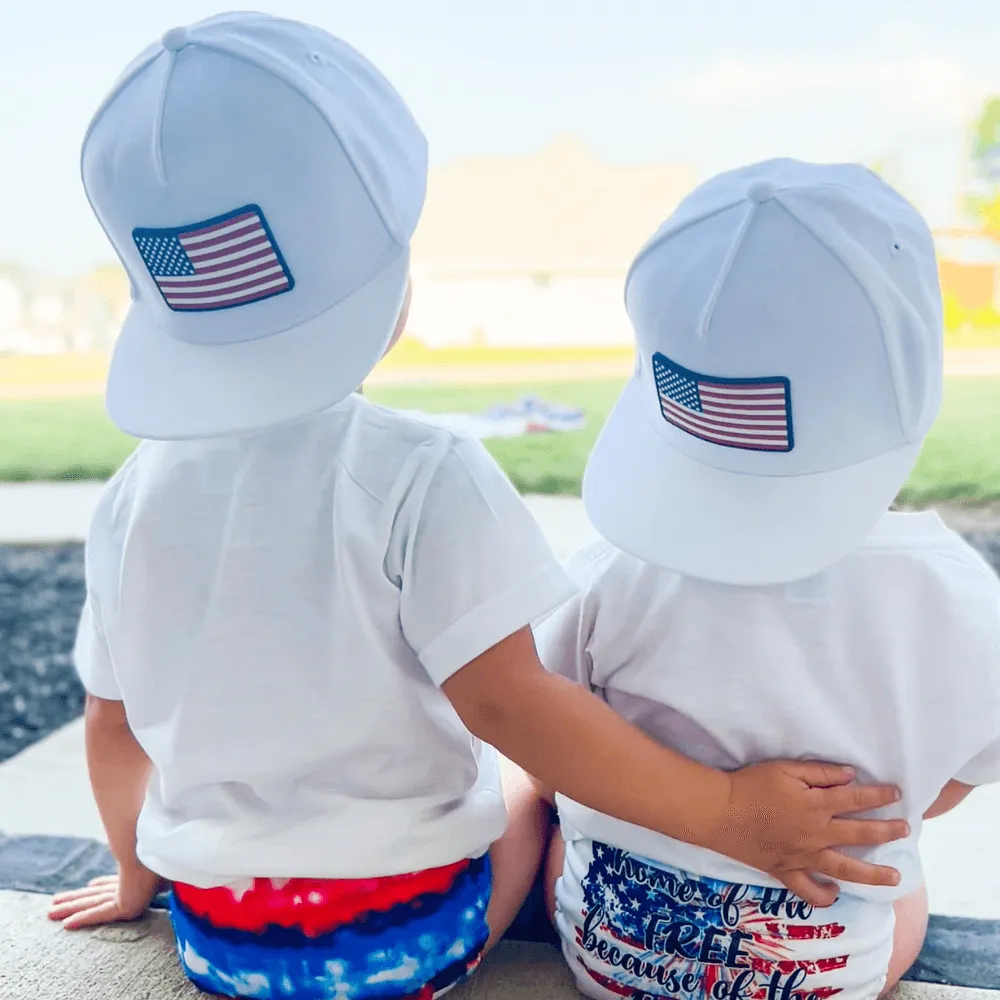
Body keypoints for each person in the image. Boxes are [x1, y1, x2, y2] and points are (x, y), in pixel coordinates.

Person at [48, 17, 907, 1000]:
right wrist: (720, 809)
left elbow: (110, 722)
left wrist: (133, 876)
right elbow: (509, 704)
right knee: (533, 792)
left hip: (220, 943)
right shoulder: (420, 467)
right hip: (407, 942)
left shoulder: (129, 496)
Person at [534, 159, 1000, 1000]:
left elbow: (539, 717)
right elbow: (942, 793)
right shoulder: (962, 601)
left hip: (608, 960)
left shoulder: (609, 571)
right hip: (828, 976)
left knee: (542, 795)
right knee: (902, 871)